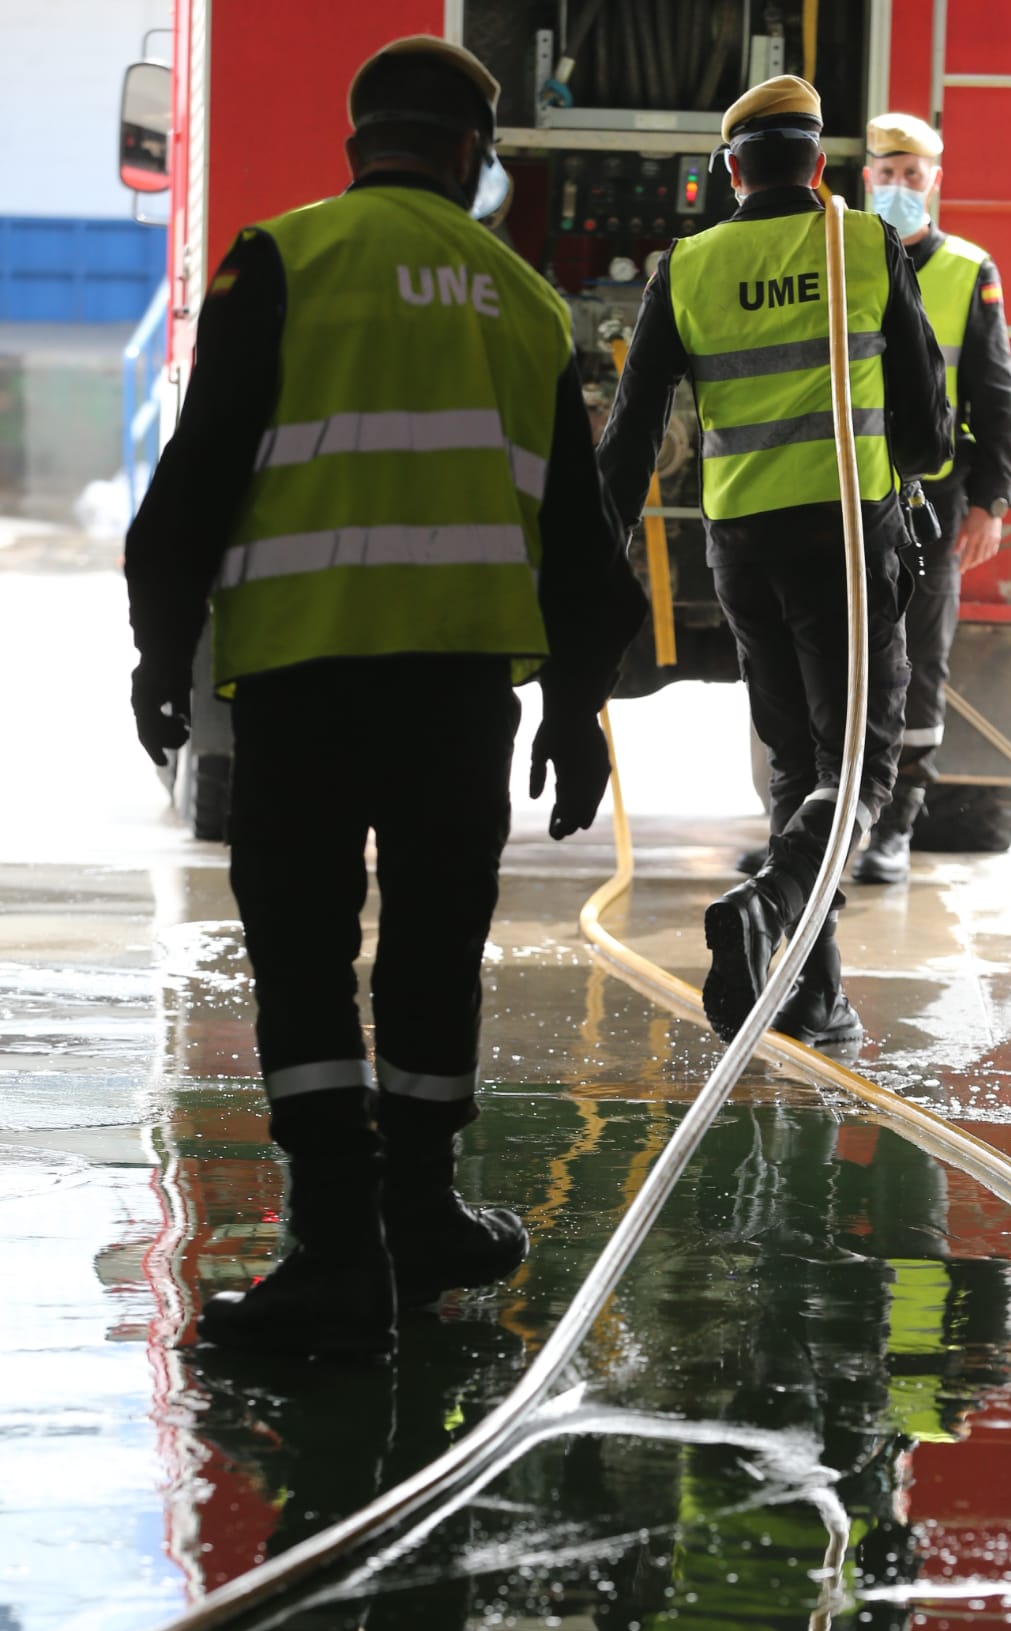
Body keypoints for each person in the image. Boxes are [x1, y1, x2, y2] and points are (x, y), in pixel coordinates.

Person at [124, 37, 646, 1361]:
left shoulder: (282, 260)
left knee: (301, 956)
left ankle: (336, 1246)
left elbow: (194, 482)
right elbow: (583, 547)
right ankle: (417, 1213)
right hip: (459, 696)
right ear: (475, 157)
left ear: (358, 143)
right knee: (429, 952)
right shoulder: (526, 304)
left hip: (301, 685)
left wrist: (159, 651)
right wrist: (580, 709)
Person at [597, 76, 949, 1048]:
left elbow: (629, 442)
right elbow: (925, 430)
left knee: (799, 762)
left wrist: (594, 561)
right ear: (822, 167)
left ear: (729, 170)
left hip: (740, 543)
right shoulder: (866, 244)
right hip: (843, 534)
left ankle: (809, 992)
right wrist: (897, 463)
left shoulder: (690, 264)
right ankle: (773, 899)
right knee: (863, 767)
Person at [853, 111, 1011, 884]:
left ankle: (894, 825)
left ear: (934, 181)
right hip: (843, 491)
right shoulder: (833, 258)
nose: (896, 186)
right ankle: (825, 823)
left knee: (918, 660)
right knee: (837, 656)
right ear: (864, 179)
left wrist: (990, 500)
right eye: (884, 174)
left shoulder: (965, 267)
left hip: (931, 499)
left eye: (910, 174)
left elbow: (995, 393)